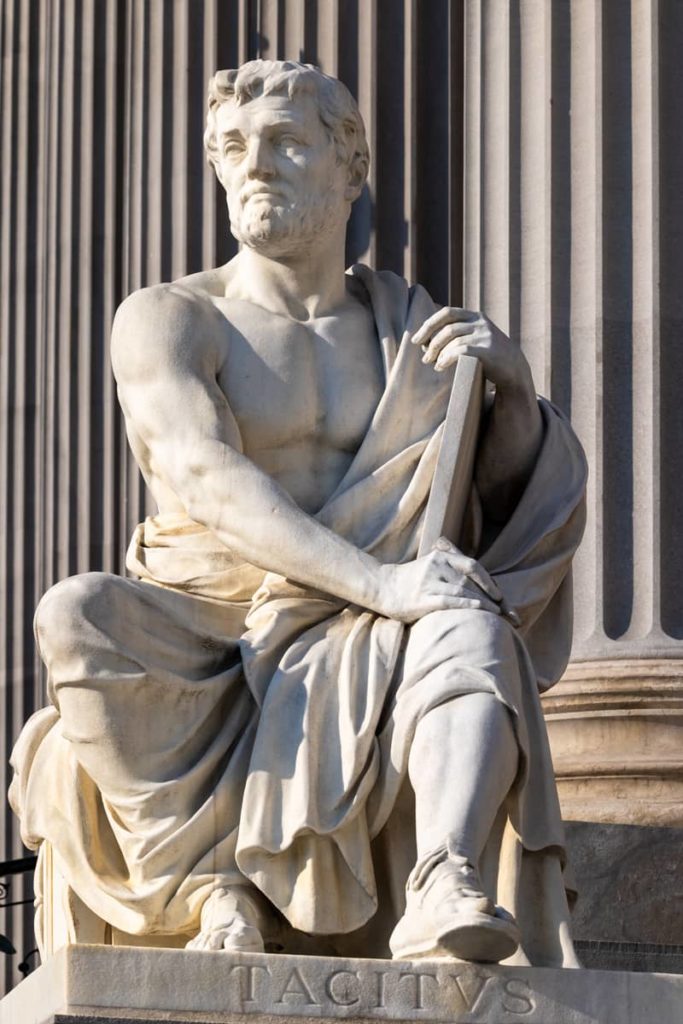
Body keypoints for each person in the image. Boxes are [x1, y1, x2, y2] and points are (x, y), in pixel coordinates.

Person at [9, 60, 586, 965]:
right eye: (234, 148)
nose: (255, 166)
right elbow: (201, 473)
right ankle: (210, 891)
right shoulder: (170, 318)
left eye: (284, 143)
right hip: (209, 619)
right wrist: (386, 583)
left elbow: (502, 502)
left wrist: (508, 391)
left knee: (471, 625)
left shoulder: (410, 328)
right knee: (75, 614)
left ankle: (443, 878)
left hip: (374, 622)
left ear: (349, 166)